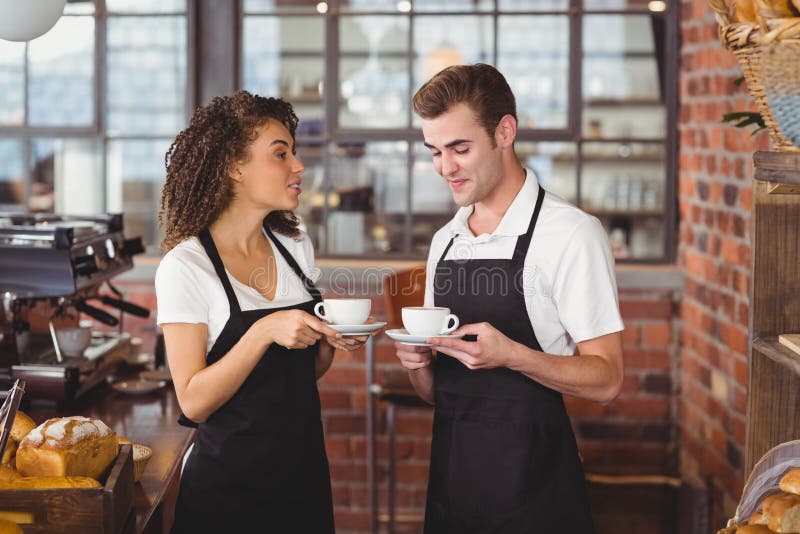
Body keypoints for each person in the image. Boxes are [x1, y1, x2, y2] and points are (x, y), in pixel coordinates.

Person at [394, 64, 625, 533]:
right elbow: (442, 394)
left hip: (535, 495)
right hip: (452, 489)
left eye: (460, 149)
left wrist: (513, 356)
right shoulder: (447, 240)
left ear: (504, 131)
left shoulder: (571, 234)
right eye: (435, 151)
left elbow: (607, 380)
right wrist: (418, 364)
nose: (445, 168)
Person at [156, 91, 366, 533]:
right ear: (234, 167)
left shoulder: (295, 247)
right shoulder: (186, 267)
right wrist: (263, 331)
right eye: (280, 154)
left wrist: (331, 342)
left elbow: (297, 377)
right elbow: (194, 401)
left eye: (295, 152)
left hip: (303, 479)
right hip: (227, 493)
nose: (298, 166)